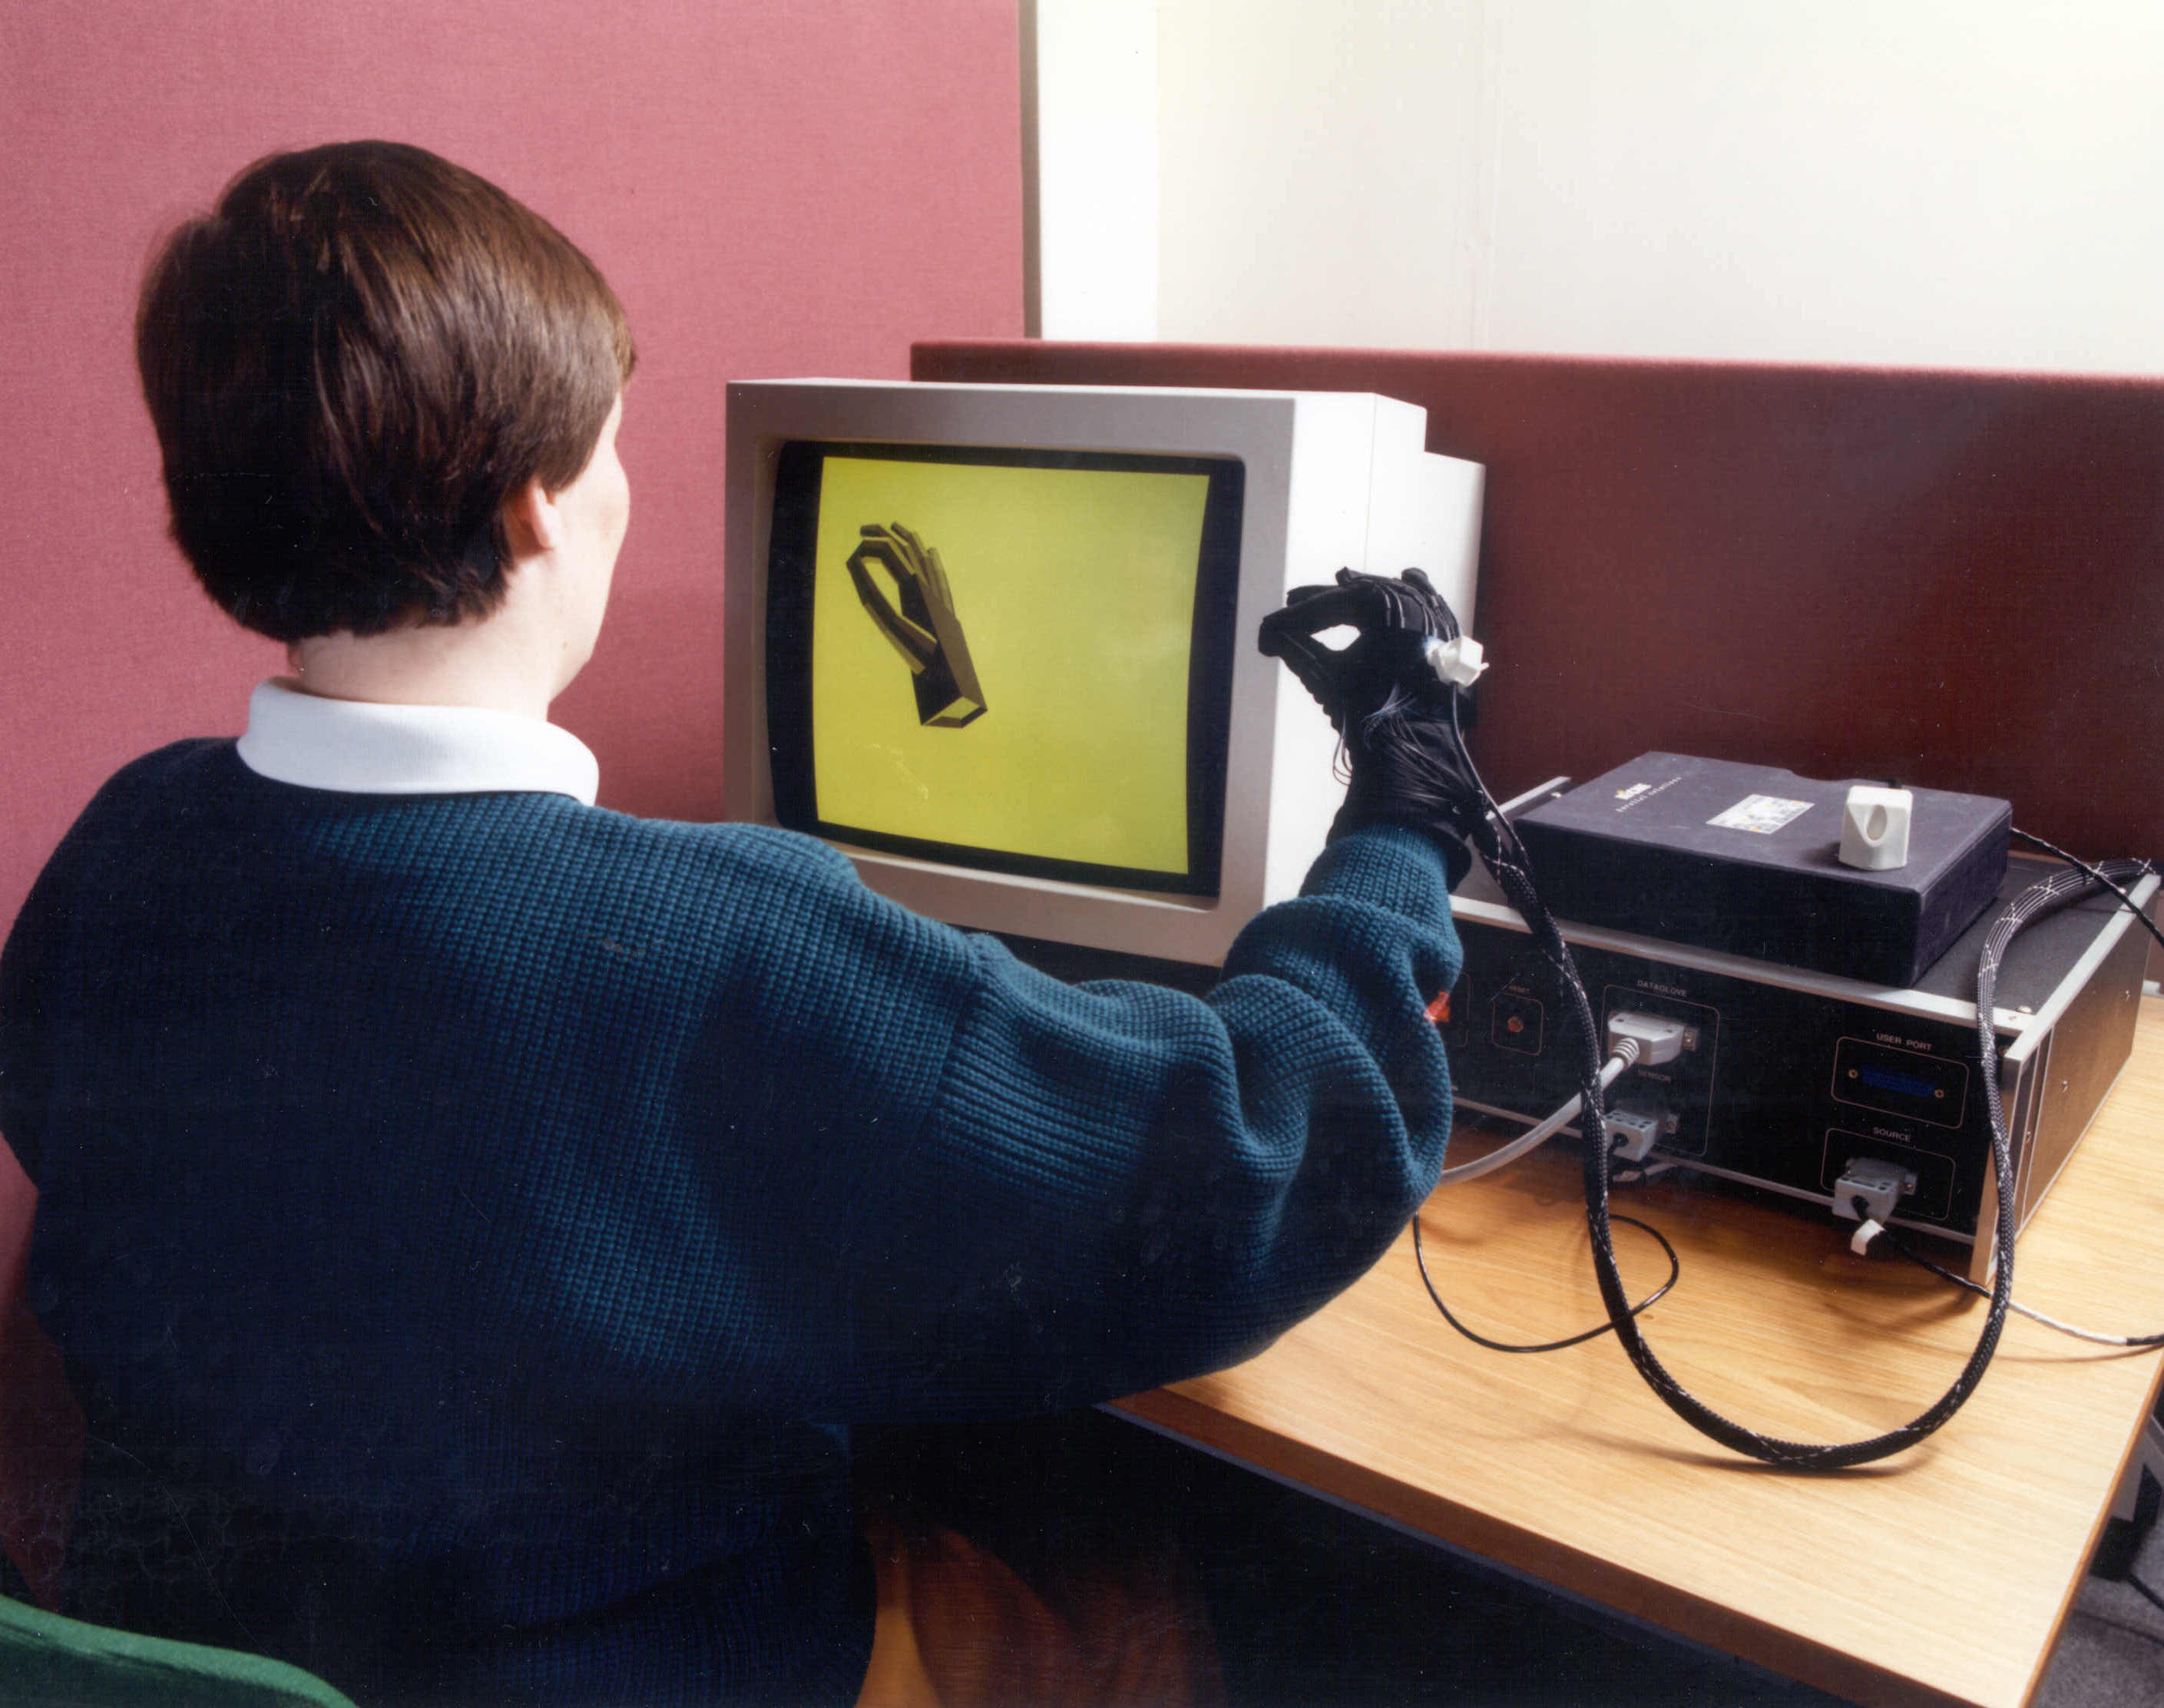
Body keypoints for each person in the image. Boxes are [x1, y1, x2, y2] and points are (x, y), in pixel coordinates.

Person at [0, 141, 1473, 1706]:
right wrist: (1403, 831)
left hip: (230, 1661)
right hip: (646, 1675)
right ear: (535, 506)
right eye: (609, 447)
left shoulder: (124, 845)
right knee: (1148, 1609)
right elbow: (1268, 1160)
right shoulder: (705, 945)